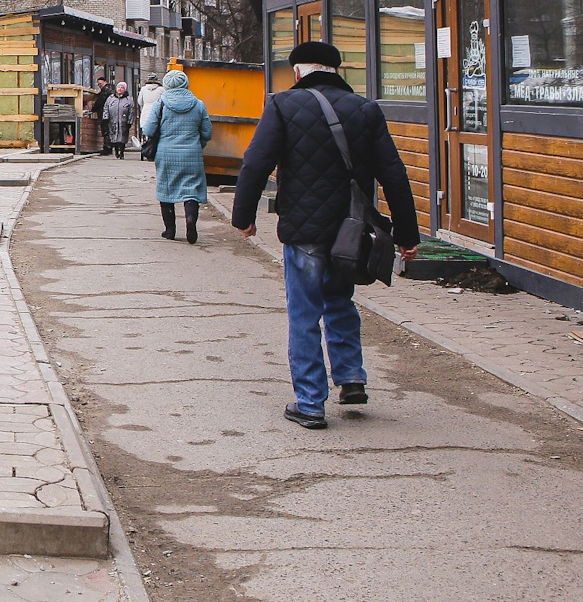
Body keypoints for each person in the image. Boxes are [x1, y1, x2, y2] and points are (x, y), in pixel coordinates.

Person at [231, 41, 421, 430]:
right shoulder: (366, 109)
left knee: (304, 313)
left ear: (298, 71)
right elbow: (394, 174)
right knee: (340, 300)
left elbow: (256, 162)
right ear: (337, 70)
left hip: (304, 229)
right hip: (352, 228)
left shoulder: (283, 105)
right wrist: (407, 233)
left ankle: (310, 402)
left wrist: (244, 216)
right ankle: (351, 378)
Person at [144, 69, 212, 242]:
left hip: (166, 154)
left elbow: (149, 130)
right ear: (186, 83)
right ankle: (190, 220)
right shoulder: (198, 104)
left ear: (166, 85)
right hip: (192, 153)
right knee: (191, 190)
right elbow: (207, 132)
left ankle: (170, 230)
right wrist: (197, 144)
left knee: (167, 190)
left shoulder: (161, 104)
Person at [102, 81, 136, 159]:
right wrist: (105, 117)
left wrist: (129, 121)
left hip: (123, 121)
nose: (120, 89)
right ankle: (116, 150)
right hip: (112, 121)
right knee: (113, 136)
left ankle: (122, 152)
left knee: (122, 137)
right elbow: (106, 108)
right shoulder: (111, 98)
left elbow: (131, 111)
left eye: (122, 88)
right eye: (118, 87)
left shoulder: (128, 99)